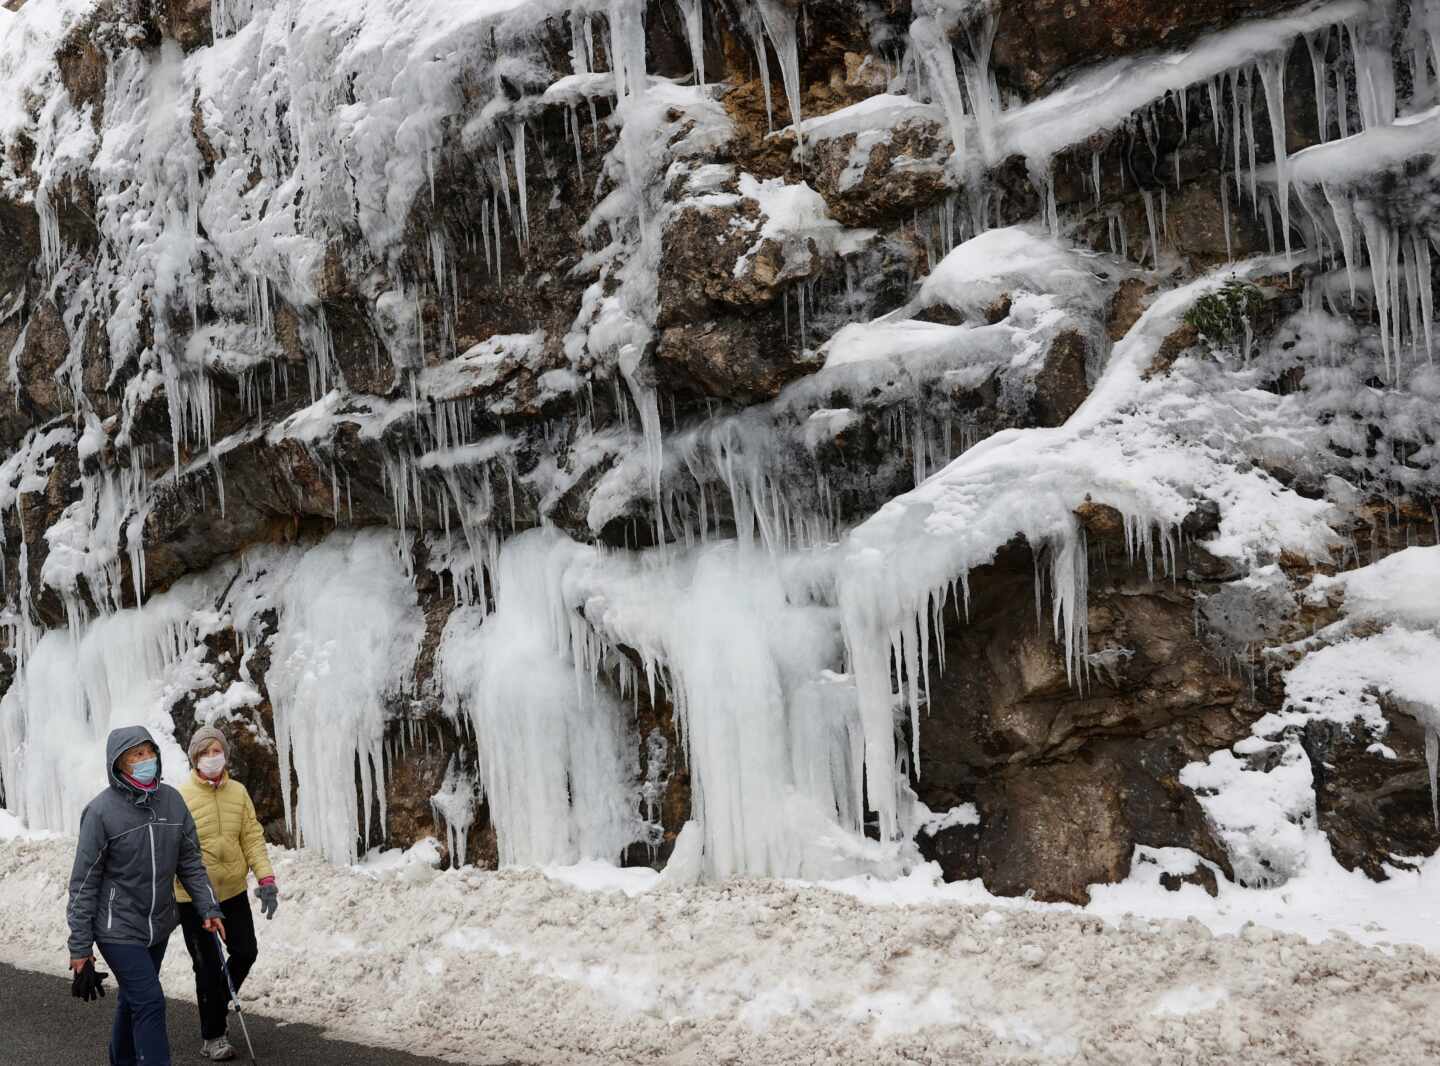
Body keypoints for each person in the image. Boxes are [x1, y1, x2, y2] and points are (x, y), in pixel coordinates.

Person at [67, 725, 227, 1066]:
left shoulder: (172, 800)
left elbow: (190, 862)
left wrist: (208, 906)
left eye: (149, 752)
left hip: (158, 924)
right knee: (151, 1002)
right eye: (136, 755)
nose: (146, 760)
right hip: (118, 928)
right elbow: (84, 882)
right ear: (119, 764)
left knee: (134, 1000)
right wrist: (80, 946)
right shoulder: (100, 813)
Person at [175, 725, 280, 1062]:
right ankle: (213, 1036)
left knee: (245, 951)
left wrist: (265, 878)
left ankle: (217, 1004)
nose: (211, 757)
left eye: (216, 750)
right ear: (194, 758)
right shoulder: (181, 798)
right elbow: (175, 850)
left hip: (232, 891)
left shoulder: (238, 792)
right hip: (193, 899)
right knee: (206, 967)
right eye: (204, 752)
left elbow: (251, 837)